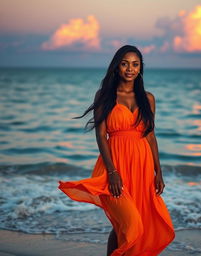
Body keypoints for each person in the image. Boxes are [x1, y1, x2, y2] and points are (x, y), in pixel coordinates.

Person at [58, 45, 175, 256]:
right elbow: (101, 135)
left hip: (142, 166)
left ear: (140, 68)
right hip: (115, 164)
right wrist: (112, 172)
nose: (130, 69)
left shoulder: (148, 98)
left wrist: (159, 172)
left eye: (135, 64)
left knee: (129, 223)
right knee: (129, 222)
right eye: (124, 63)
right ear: (116, 66)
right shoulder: (105, 95)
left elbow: (150, 135)